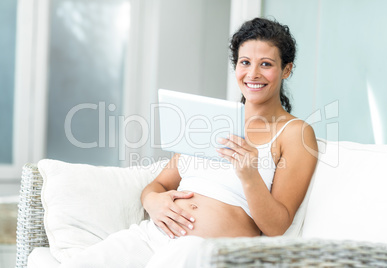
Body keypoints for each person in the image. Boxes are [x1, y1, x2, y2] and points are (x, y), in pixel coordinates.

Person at [60, 17, 318, 268]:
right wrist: (154, 202)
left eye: (266, 64)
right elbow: (158, 184)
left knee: (186, 249)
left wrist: (249, 176)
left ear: (286, 69)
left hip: (205, 251)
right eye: (245, 62)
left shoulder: (294, 133)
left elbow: (277, 227)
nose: (253, 73)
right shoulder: (211, 119)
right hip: (152, 237)